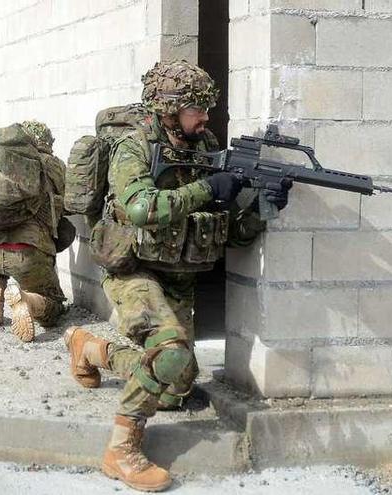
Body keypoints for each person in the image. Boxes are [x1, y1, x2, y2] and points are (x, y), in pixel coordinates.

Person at [63, 60, 291, 492]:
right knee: (171, 353)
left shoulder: (204, 144)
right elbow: (140, 208)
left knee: (176, 387)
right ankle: (122, 448)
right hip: (134, 268)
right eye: (197, 109)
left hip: (180, 277)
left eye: (207, 109)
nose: (206, 117)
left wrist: (265, 207)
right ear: (168, 109)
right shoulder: (134, 147)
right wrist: (209, 188)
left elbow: (232, 234)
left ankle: (91, 349)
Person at [0, 121, 67, 342]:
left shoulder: (0, 160)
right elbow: (68, 203)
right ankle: (27, 301)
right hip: (28, 252)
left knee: (0, 248)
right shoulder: (52, 164)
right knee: (54, 306)